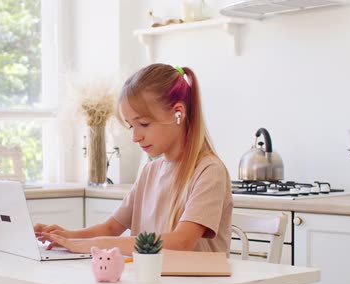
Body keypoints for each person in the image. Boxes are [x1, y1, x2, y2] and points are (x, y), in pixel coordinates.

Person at [35, 63, 233, 256]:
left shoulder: (209, 171)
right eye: (131, 126)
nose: (135, 137)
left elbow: (181, 242)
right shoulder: (151, 171)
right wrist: (68, 237)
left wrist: (95, 245)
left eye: (144, 124)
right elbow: (112, 227)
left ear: (178, 113)